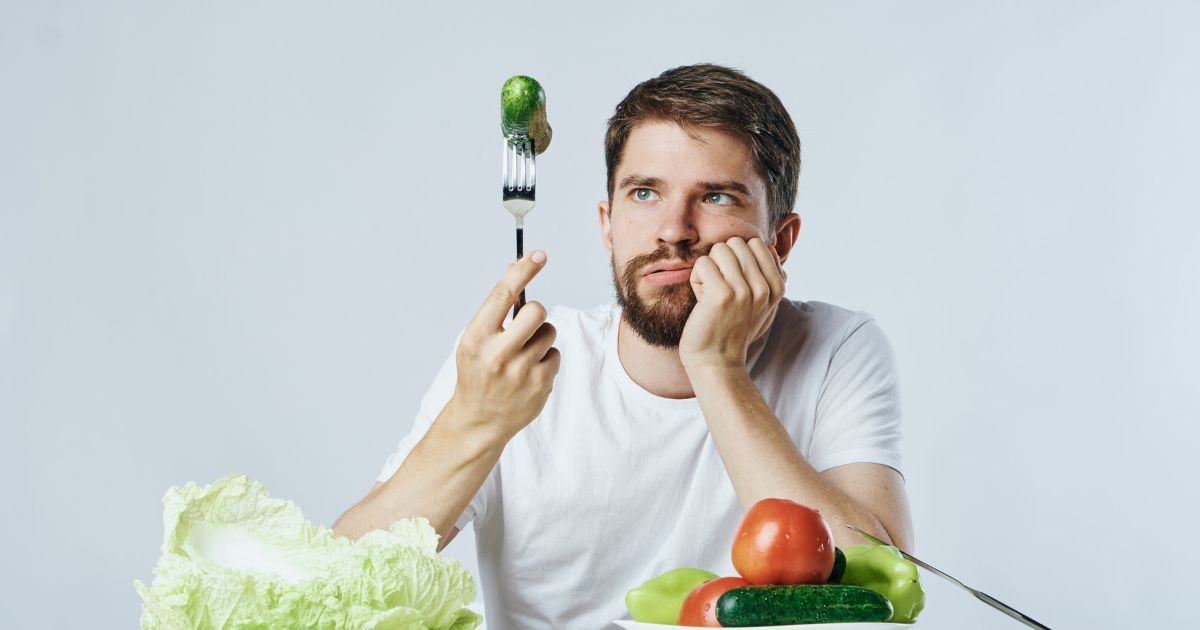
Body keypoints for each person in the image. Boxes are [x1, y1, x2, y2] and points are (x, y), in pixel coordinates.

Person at [333, 63, 913, 629]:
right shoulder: (516, 364)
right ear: (607, 225)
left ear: (779, 242)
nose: (673, 230)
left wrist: (716, 366)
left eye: (716, 198)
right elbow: (337, 584)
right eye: (644, 193)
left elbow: (882, 597)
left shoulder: (837, 348)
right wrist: (475, 421)